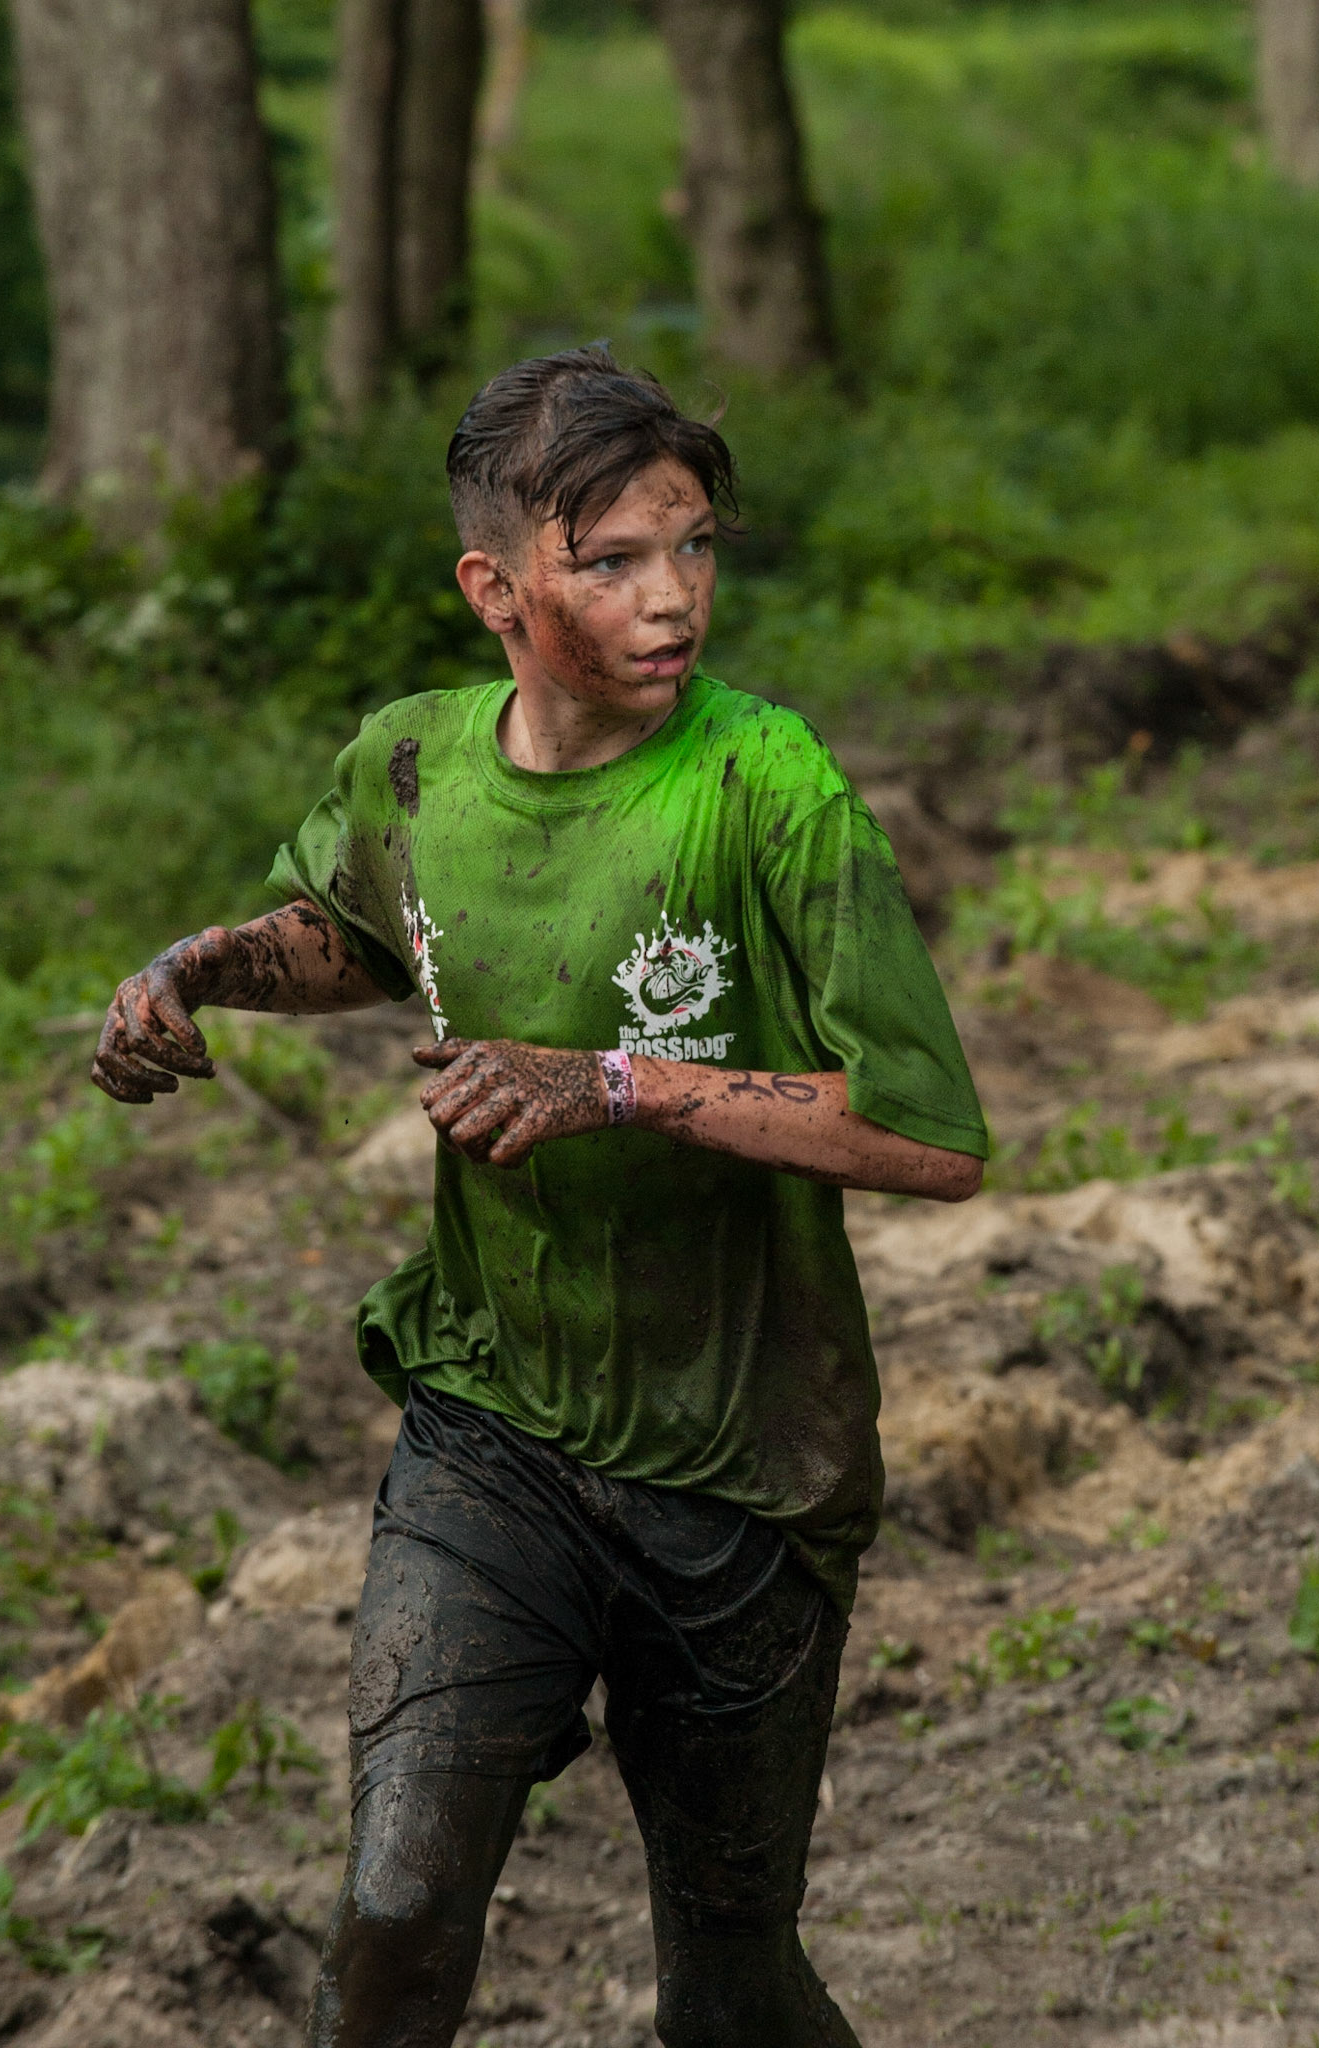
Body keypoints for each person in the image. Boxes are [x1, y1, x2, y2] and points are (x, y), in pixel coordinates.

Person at [91, 344, 988, 2048]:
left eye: (698, 548)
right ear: (495, 589)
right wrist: (194, 969)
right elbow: (355, 937)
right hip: (491, 1426)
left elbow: (933, 1134)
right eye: (618, 560)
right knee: (395, 1908)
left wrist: (621, 1083)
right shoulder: (413, 768)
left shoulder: (765, 784)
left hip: (745, 1463)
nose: (678, 599)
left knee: (725, 1989)